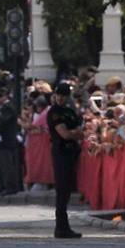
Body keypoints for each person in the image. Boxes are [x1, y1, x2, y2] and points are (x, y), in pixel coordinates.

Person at [48, 81, 84, 238]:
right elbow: (65, 134)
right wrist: (75, 133)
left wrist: (75, 133)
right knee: (62, 189)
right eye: (59, 95)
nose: (61, 98)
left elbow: (80, 130)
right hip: (61, 151)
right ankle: (61, 226)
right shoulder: (54, 112)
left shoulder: (69, 111)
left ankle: (64, 226)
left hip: (72, 152)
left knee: (68, 189)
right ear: (55, 95)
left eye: (64, 95)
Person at [0, 88, 23, 195]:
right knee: (0, 165)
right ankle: (3, 186)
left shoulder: (8, 108)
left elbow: (2, 122)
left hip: (7, 141)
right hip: (0, 141)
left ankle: (10, 187)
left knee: (7, 165)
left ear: (3, 97)